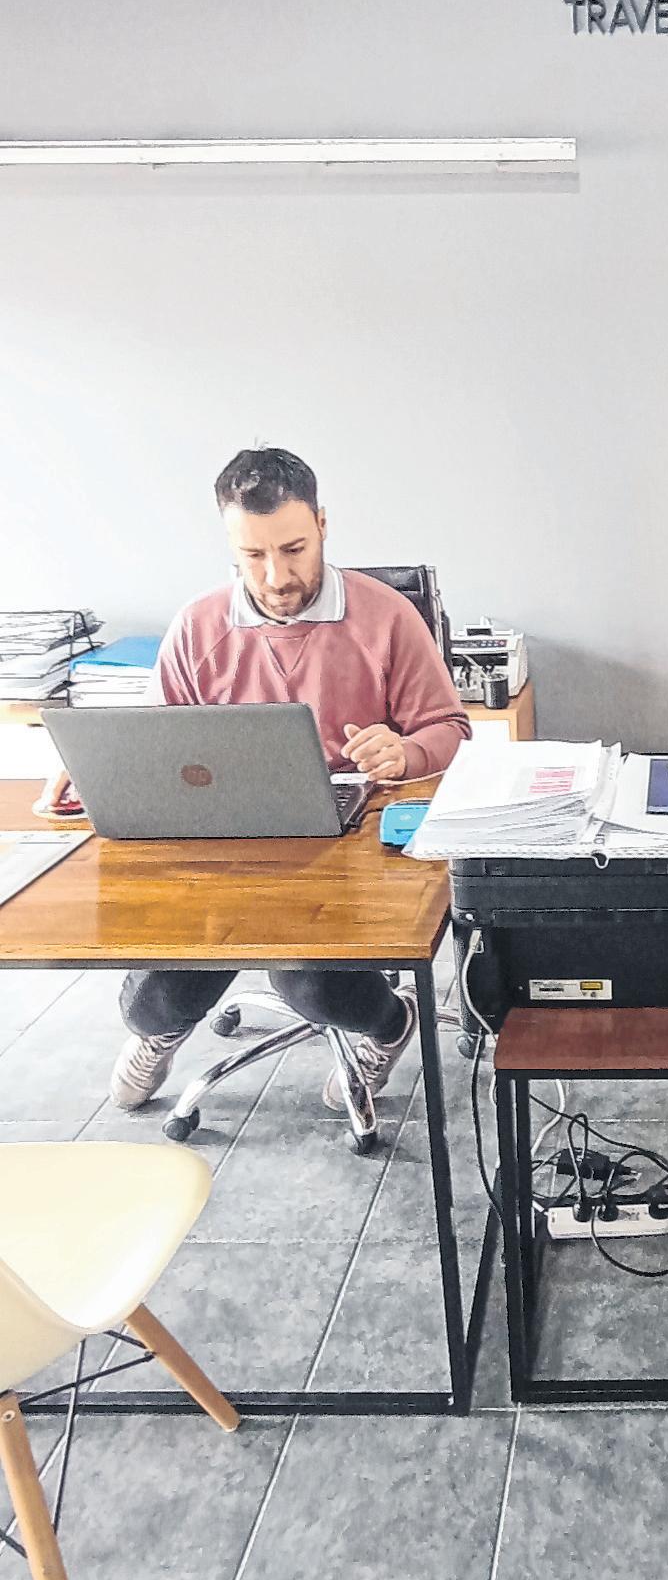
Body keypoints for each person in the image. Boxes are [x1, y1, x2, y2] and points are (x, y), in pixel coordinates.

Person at [97, 446, 471, 1113]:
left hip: (349, 847)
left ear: (323, 524)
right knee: (158, 990)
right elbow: (155, 749)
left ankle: (390, 1026)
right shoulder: (197, 626)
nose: (276, 576)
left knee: (311, 984)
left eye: (294, 549)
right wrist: (90, 776)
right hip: (228, 843)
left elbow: (452, 728)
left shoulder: (387, 617)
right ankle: (160, 1033)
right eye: (253, 555)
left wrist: (406, 751)